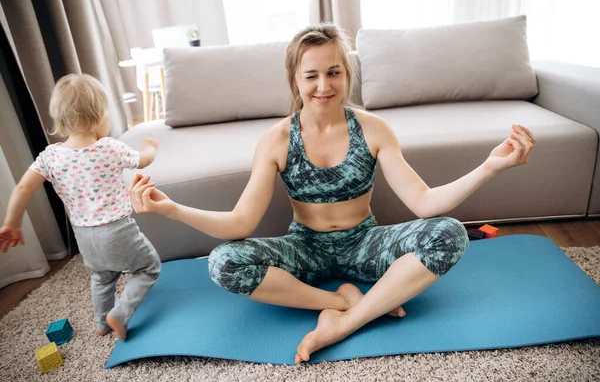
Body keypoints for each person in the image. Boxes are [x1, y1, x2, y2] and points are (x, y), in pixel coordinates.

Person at [128, 23, 536, 363]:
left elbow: (424, 203)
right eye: (311, 75)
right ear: (295, 79)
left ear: (347, 74)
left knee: (450, 233)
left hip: (365, 243)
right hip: (305, 249)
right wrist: (172, 210)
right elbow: (241, 224)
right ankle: (342, 302)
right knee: (223, 263)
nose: (324, 85)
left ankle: (346, 320)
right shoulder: (276, 140)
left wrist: (490, 166)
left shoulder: (374, 129)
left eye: (334, 72)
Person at [0, 74, 161, 341]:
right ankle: (119, 315)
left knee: (102, 276)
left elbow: (23, 188)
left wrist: (13, 222)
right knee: (148, 268)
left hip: (84, 235)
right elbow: (142, 161)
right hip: (117, 230)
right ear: (99, 116)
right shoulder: (109, 147)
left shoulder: (50, 156)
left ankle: (101, 322)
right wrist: (151, 148)